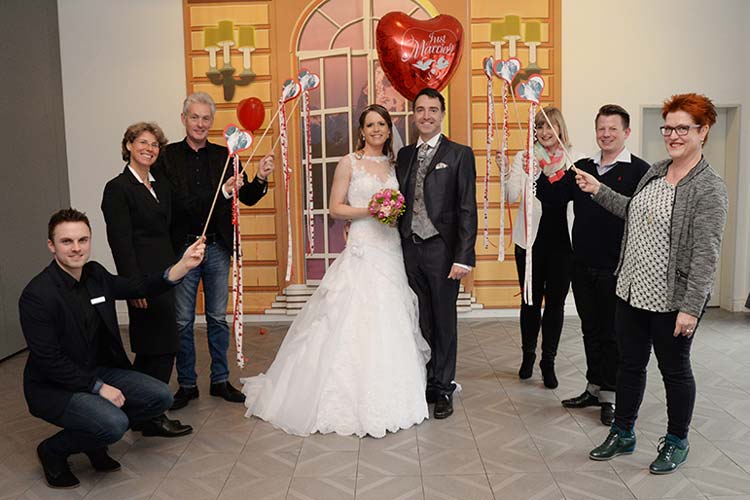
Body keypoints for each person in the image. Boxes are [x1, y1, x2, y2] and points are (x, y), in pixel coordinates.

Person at [241, 104, 430, 437]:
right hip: (362, 246)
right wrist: (370, 210)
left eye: (382, 124)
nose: (376, 130)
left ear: (388, 129)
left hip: (389, 248)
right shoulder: (349, 162)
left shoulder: (396, 163)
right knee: (350, 317)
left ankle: (393, 392)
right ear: (361, 131)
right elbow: (336, 207)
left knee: (391, 315)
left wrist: (392, 213)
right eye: (370, 125)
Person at [580, 94, 727, 474]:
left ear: (703, 131)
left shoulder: (709, 187)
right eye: (668, 127)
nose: (673, 135)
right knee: (629, 365)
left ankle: (676, 441)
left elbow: (706, 253)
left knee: (674, 371)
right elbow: (632, 211)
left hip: (671, 300)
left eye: (682, 128)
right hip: (631, 289)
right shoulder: (657, 171)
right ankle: (623, 431)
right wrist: (598, 189)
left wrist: (691, 308)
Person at [19, 209, 205, 489]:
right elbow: (49, 360)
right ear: (51, 245)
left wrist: (182, 266)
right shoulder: (37, 295)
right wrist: (97, 387)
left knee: (160, 397)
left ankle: (95, 438)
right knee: (115, 424)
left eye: (83, 240)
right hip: (53, 385)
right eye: (67, 241)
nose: (76, 248)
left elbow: (138, 285)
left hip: (98, 370)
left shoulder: (95, 275)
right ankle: (53, 451)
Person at [156, 92, 274, 409]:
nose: (200, 123)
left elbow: (246, 197)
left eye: (206, 118)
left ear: (212, 121)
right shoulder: (166, 158)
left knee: (217, 319)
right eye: (194, 117)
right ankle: (187, 384)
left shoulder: (228, 155)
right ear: (183, 119)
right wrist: (221, 191)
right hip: (183, 249)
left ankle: (220, 380)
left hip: (218, 247)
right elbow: (177, 204)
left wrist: (260, 178)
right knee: (182, 321)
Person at [536, 104, 650, 425]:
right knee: (589, 330)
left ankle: (611, 396)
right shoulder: (582, 167)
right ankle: (594, 386)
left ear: (626, 133)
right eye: (601, 128)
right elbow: (553, 197)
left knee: (612, 333)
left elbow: (641, 214)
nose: (606, 134)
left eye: (613, 129)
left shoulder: (639, 171)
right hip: (581, 264)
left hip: (616, 267)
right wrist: (546, 164)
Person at [101, 122, 192, 438]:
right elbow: (120, 242)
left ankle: (144, 413)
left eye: (155, 144)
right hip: (142, 280)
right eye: (142, 142)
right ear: (128, 145)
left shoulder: (161, 185)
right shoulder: (117, 188)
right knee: (154, 345)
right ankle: (148, 414)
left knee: (162, 345)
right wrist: (133, 285)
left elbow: (172, 226)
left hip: (166, 275)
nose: (149, 148)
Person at [396, 88, 477, 419]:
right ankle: (427, 380)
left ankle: (443, 387)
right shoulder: (403, 155)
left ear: (442, 114)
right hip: (408, 247)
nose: (426, 115)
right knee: (420, 318)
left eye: (432, 109)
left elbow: (467, 208)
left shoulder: (459, 154)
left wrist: (463, 256)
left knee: (444, 320)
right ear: (413, 115)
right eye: (420, 110)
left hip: (442, 250)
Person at [497, 107, 584, 388]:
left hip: (562, 245)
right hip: (529, 243)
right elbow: (512, 196)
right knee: (530, 302)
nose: (545, 132)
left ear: (560, 129)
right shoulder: (525, 157)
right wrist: (505, 171)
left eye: (550, 126)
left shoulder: (572, 161)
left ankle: (549, 361)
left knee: (555, 305)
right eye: (539, 127)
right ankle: (527, 356)